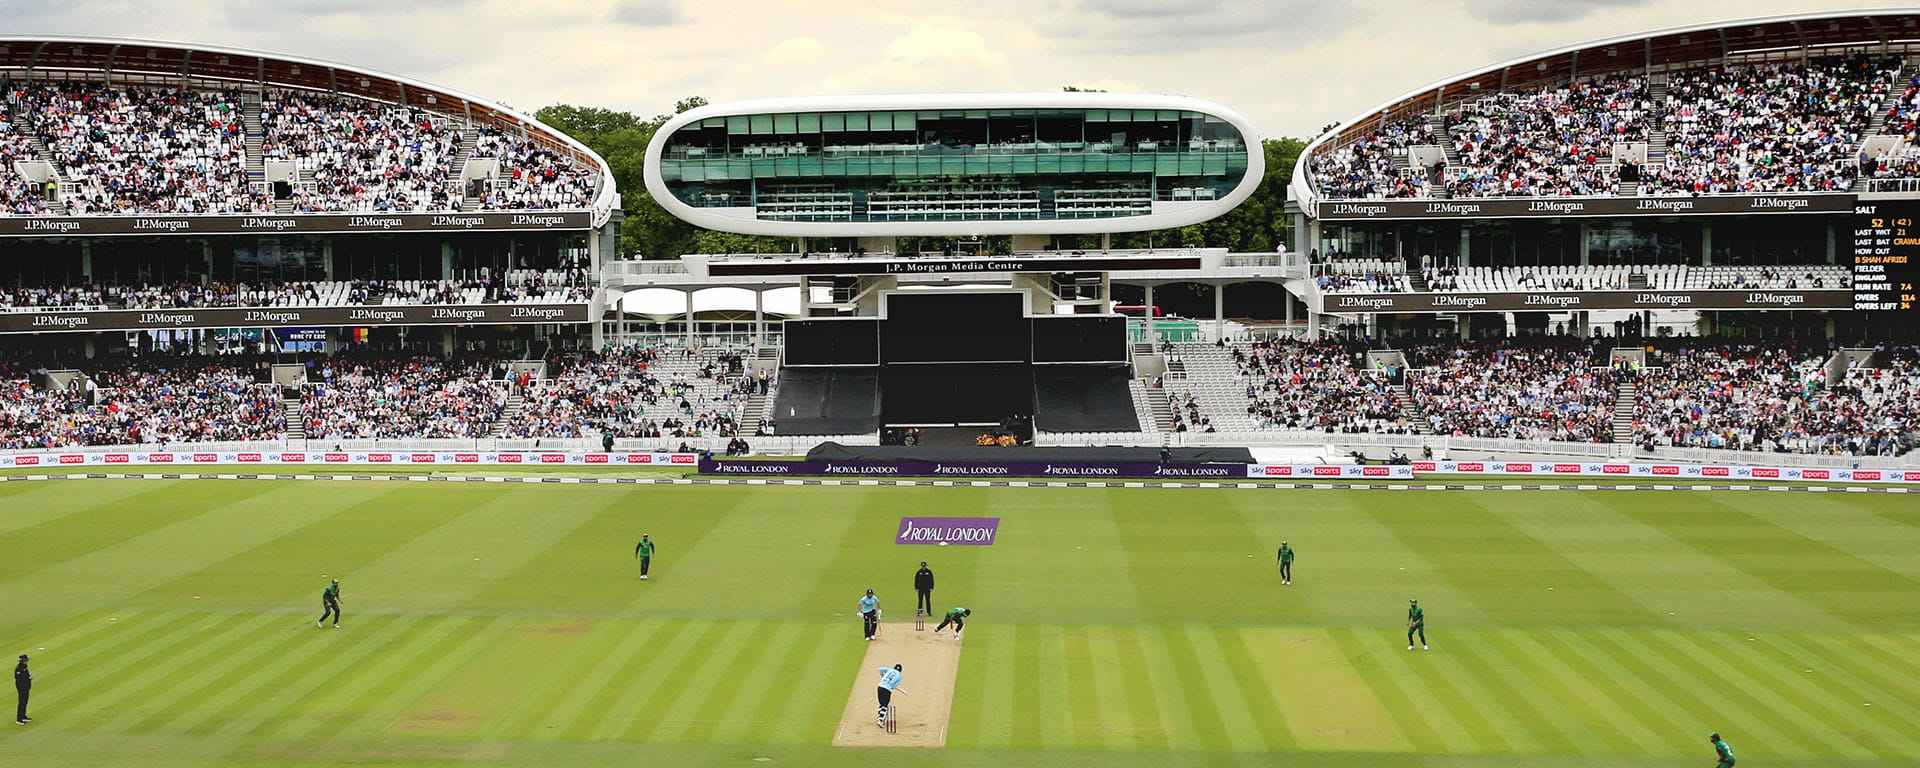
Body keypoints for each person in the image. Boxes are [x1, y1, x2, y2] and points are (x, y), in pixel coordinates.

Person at [876, 663, 905, 728]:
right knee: (885, 705)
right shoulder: (899, 676)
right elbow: (894, 686)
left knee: (881, 704)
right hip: (887, 689)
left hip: (880, 686)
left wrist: (882, 676)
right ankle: (880, 720)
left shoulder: (889, 670)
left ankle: (879, 718)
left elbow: (880, 669)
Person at [13, 654, 29, 724]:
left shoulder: (24, 667)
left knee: (25, 701)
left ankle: (23, 716)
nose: (27, 661)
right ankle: (19, 719)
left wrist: (29, 677)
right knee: (22, 702)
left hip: (26, 687)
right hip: (22, 688)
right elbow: (19, 679)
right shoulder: (19, 668)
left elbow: (26, 674)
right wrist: (28, 678)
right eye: (26, 660)